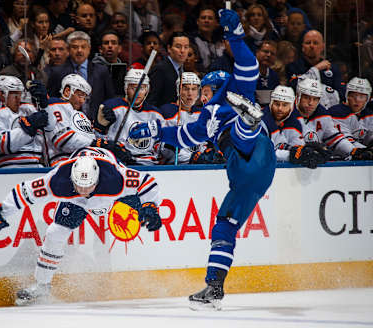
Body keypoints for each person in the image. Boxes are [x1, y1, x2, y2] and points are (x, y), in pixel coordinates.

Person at [128, 9, 276, 309]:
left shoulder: (236, 88)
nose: (202, 96)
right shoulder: (204, 119)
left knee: (240, 135)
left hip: (252, 148)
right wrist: (155, 130)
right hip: (248, 175)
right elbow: (184, 137)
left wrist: (235, 36)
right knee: (224, 225)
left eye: (205, 90)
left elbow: (248, 64)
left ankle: (247, 124)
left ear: (215, 85)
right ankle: (214, 288)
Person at [0, 147, 162, 305]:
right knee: (54, 233)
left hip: (112, 197)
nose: (83, 191)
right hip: (76, 203)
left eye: (87, 186)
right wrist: (0, 214)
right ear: (72, 178)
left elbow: (148, 183)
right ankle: (42, 286)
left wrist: (151, 206)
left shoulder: (115, 178)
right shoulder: (58, 180)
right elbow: (23, 192)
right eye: (79, 186)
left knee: (144, 214)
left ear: (96, 179)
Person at [43, 73, 132, 166]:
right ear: (67, 91)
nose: (82, 101)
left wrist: (99, 130)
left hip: (87, 162)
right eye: (80, 95)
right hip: (64, 164)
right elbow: (62, 139)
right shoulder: (55, 105)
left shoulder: (81, 115)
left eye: (85, 97)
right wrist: (98, 144)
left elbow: (92, 141)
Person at [94, 68, 165, 165]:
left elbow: (161, 147)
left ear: (147, 90)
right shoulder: (113, 107)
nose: (138, 92)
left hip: (148, 164)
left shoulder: (156, 114)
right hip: (119, 163)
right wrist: (100, 128)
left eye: (142, 88)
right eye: (133, 88)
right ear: (126, 88)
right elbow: (98, 140)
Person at [0, 75, 48, 168]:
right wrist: (29, 126)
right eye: (14, 94)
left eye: (19, 94)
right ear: (1, 94)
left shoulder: (28, 109)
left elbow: (49, 135)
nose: (18, 98)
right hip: (6, 170)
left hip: (36, 166)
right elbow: (6, 145)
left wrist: (44, 103)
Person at [293, 77, 368, 160]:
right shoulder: (288, 113)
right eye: (306, 98)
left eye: (315, 99)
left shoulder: (322, 114)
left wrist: (353, 150)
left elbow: (334, 138)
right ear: (298, 96)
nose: (311, 103)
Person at [46, 31, 114, 121]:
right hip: (68, 121)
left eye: (83, 47)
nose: (79, 50)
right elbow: (51, 100)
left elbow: (110, 97)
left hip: (96, 122)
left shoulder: (101, 70)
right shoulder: (57, 72)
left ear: (89, 49)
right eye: (75, 47)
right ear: (69, 50)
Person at [159, 71, 224, 165]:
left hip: (200, 165)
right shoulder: (166, 111)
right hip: (175, 167)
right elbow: (162, 145)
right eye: (185, 89)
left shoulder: (203, 112)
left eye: (194, 89)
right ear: (178, 90)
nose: (190, 93)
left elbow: (208, 142)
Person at [261, 84, 329, 168]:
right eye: (277, 104)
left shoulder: (293, 122)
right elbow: (262, 152)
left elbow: (295, 146)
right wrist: (290, 155)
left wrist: (308, 150)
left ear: (292, 106)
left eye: (285, 105)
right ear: (271, 104)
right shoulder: (262, 121)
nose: (280, 109)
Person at [329, 77, 373, 159]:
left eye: (361, 96)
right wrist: (366, 151)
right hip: (338, 159)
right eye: (353, 96)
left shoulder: (369, 114)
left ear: (367, 99)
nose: (357, 100)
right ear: (347, 96)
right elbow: (344, 142)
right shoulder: (337, 112)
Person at [147, 32, 190, 107]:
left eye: (186, 47)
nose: (182, 51)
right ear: (169, 48)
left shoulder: (185, 70)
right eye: (178, 47)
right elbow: (152, 100)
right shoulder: (160, 69)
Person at [92, 31, 126, 96]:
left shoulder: (124, 69)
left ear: (119, 48)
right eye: (106, 43)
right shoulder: (92, 68)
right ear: (100, 49)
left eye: (113, 43)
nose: (110, 46)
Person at [255, 40, 280, 107]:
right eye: (265, 51)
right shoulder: (248, 73)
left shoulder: (275, 76)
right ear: (257, 52)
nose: (269, 55)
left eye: (272, 54)